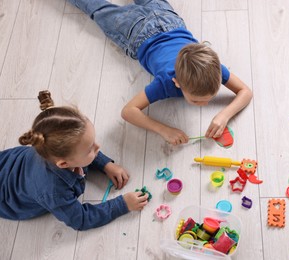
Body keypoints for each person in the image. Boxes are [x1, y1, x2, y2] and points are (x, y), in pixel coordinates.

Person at [68, 0, 253, 146]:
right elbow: (128, 111)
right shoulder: (166, 82)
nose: (204, 104)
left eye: (210, 97)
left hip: (167, 19)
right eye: (196, 100)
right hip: (135, 31)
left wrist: (224, 115)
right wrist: (164, 130)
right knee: (97, 7)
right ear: (177, 83)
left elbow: (246, 91)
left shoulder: (215, 69)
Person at [0, 91, 149, 231]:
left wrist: (106, 164)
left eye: (93, 142)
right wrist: (122, 205)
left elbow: (83, 148)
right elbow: (81, 219)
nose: (98, 147)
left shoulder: (50, 146)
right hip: (7, 198)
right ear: (64, 164)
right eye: (90, 149)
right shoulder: (54, 192)